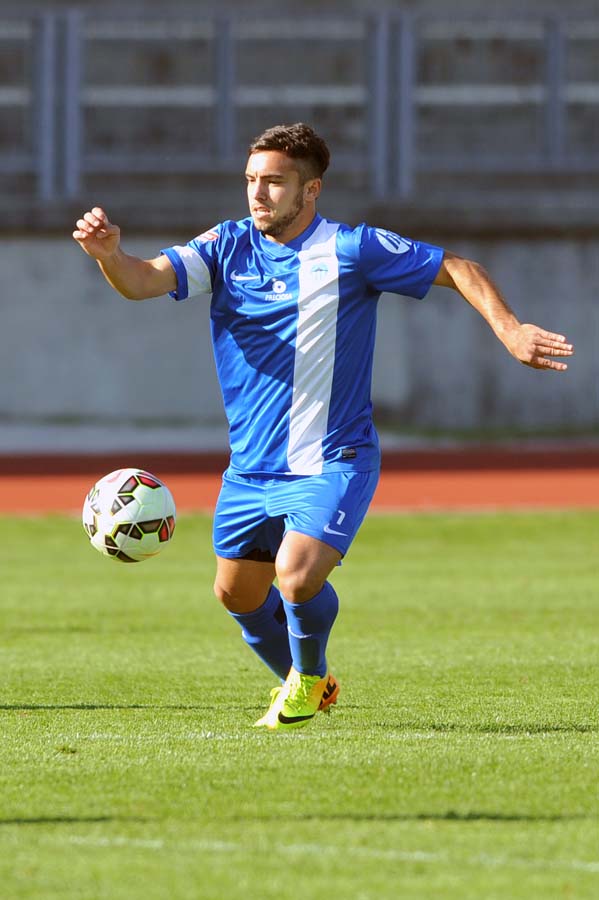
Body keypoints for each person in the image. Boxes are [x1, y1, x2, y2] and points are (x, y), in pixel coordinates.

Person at [73, 122, 573, 732]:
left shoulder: (353, 249)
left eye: (275, 182)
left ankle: (308, 678)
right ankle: (312, 680)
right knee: (235, 594)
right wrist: (109, 257)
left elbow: (458, 267)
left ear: (311, 190)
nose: (258, 194)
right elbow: (143, 280)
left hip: (334, 458)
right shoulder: (226, 246)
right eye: (251, 180)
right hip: (251, 470)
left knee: (296, 574)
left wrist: (511, 329)